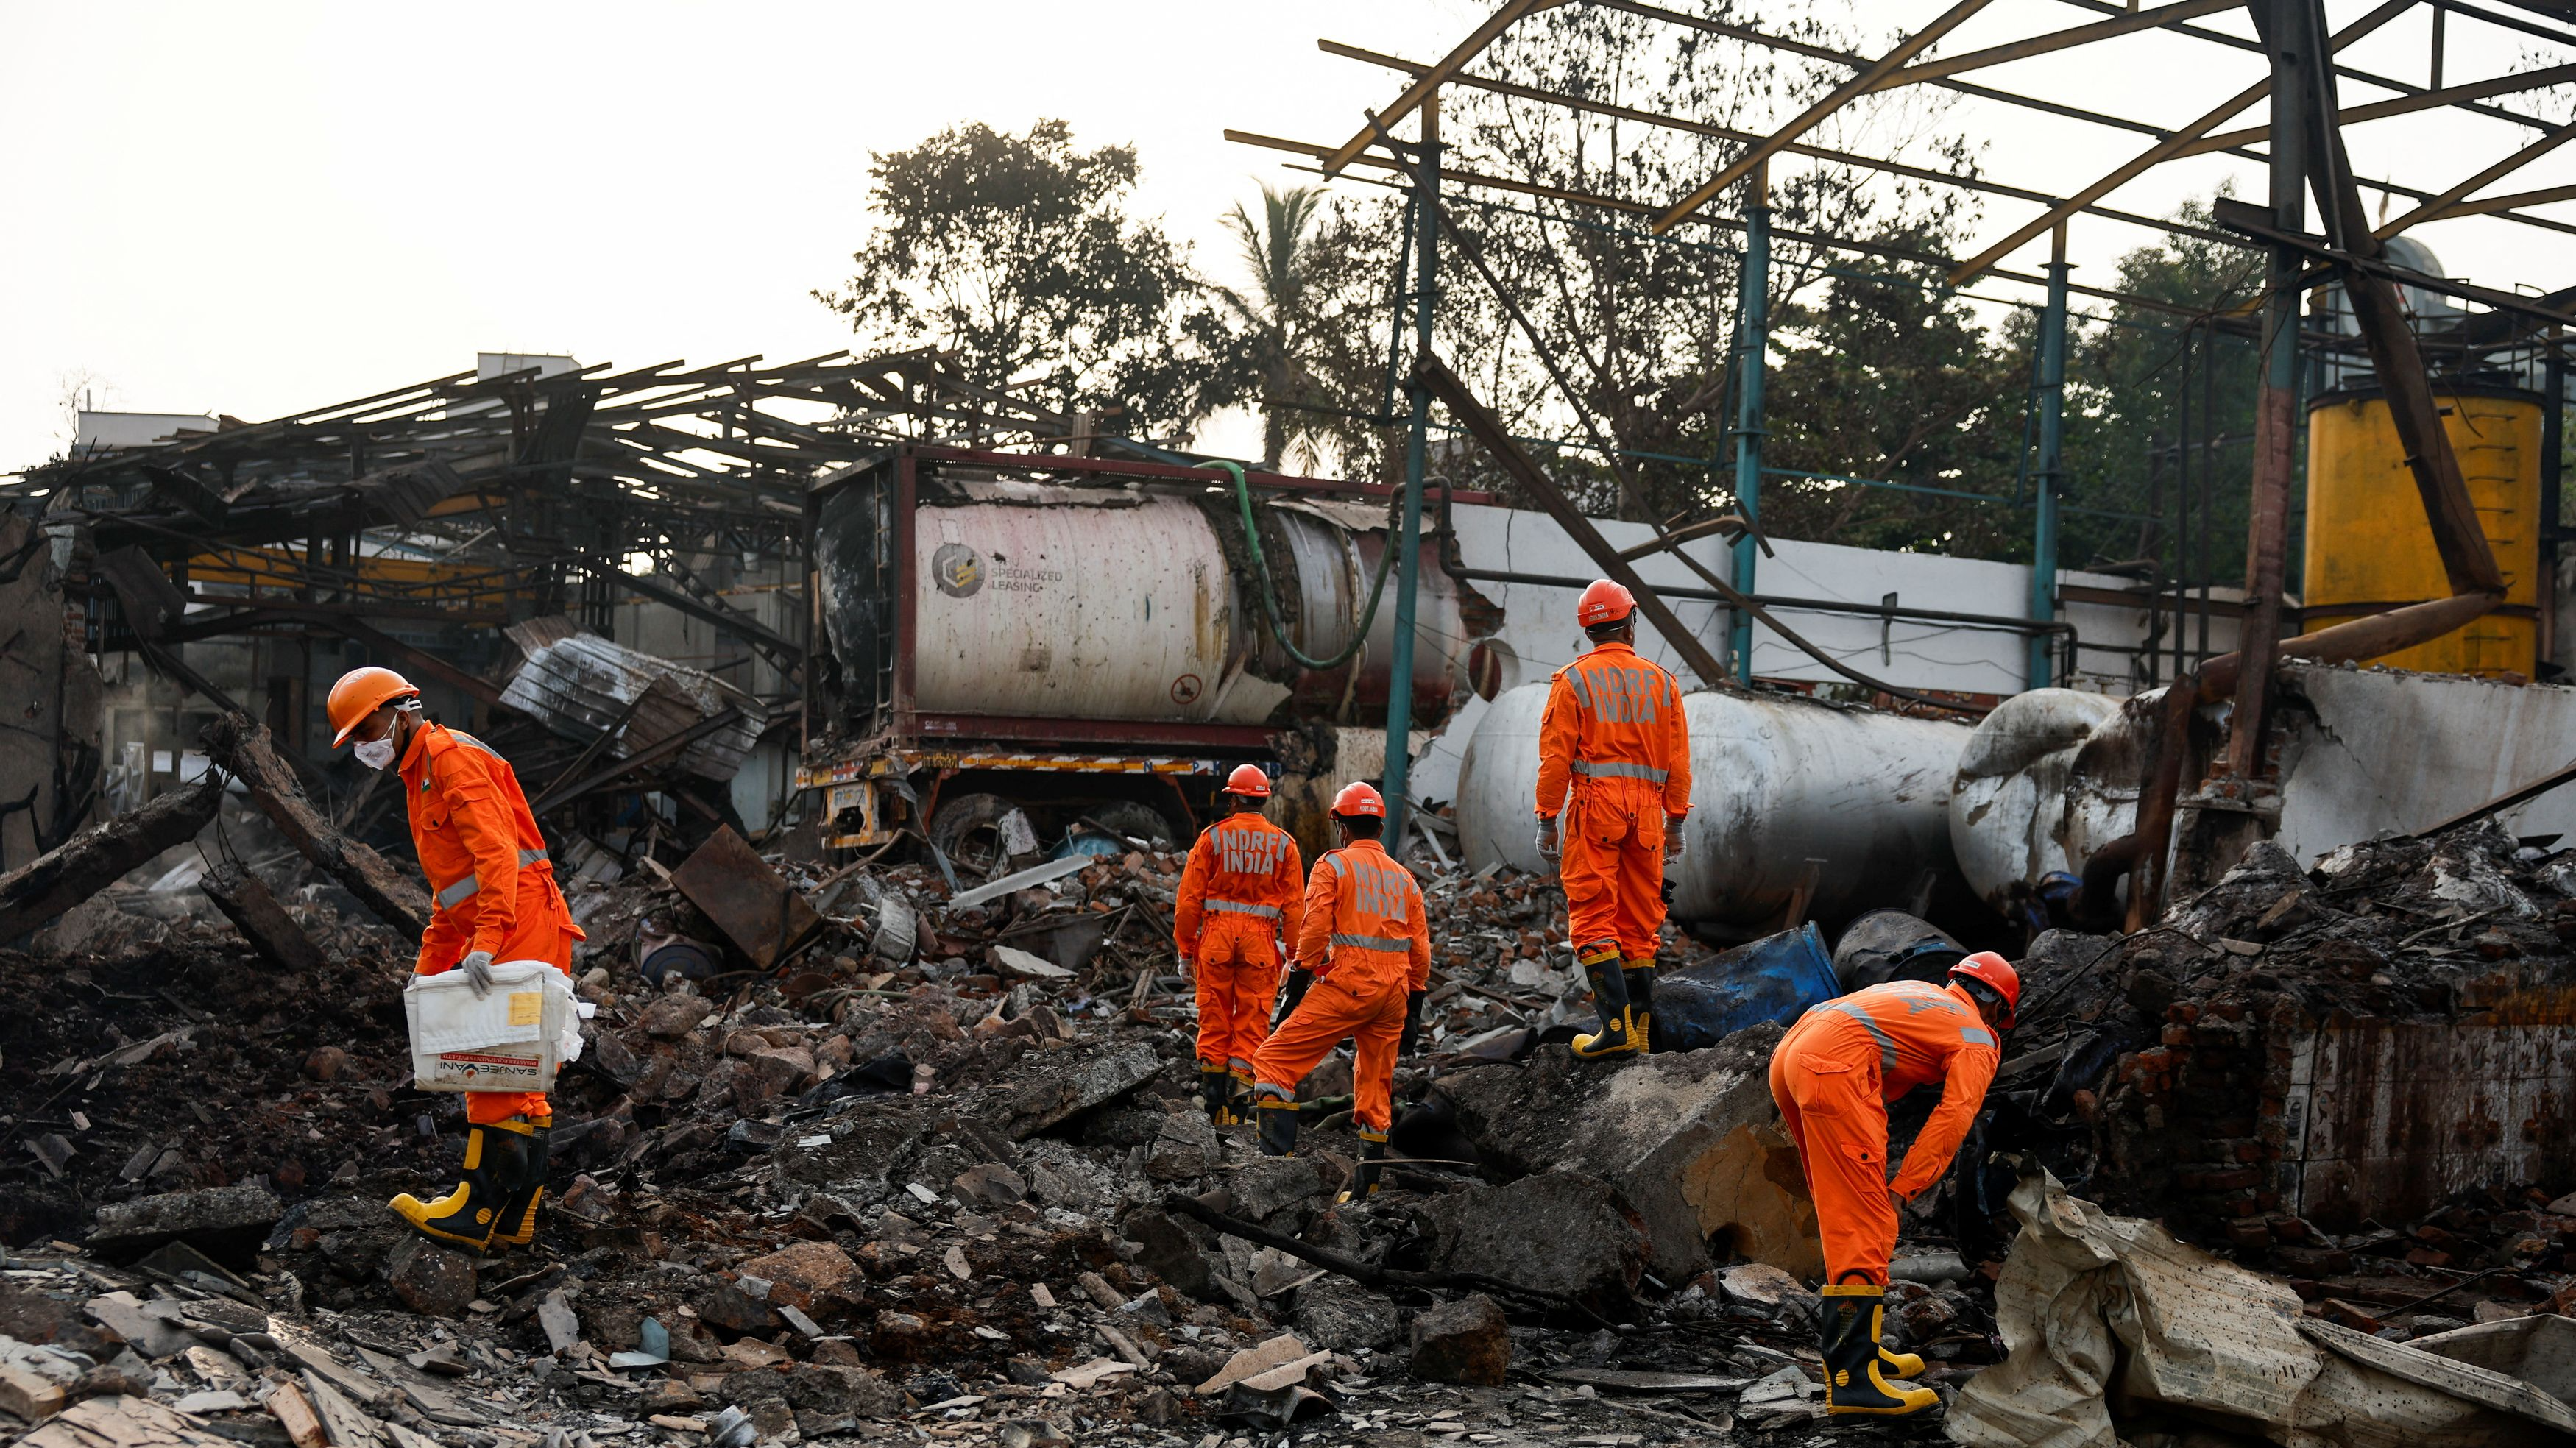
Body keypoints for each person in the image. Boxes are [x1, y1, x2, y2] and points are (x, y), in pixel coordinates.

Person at [327, 666, 585, 1250]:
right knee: (522, 1079)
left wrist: (488, 941)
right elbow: (452, 892)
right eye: (356, 738)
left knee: (489, 1067)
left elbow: (496, 855)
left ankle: (473, 1213)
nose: (364, 745)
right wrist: (428, 968)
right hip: (515, 921)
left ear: (398, 709)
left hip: (518, 922)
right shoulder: (419, 775)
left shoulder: (449, 760)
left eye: (365, 729)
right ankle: (514, 1218)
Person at [1768, 952, 2017, 1418]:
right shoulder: (1977, 1035)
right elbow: (1954, 1117)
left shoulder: (1919, 994)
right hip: (1833, 1068)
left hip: (1791, 1054)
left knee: (1843, 1214)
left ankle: (1863, 1349)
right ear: (1998, 1010)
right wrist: (1907, 1186)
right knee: (1865, 1221)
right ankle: (1851, 1382)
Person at [1248, 781, 1430, 1203]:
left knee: (1273, 1061)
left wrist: (1297, 985)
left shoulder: (1334, 866)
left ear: (1340, 825)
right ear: (1380, 828)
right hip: (1394, 994)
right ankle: (1366, 1192)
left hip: (1349, 983)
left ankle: (1275, 1179)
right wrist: (1414, 1007)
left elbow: (1313, 932)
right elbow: (1420, 949)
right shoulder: (1406, 880)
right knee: (1375, 1087)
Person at [1534, 579, 1692, 1060]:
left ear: (1588, 630)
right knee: (1640, 923)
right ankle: (1638, 1036)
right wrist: (1676, 821)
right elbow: (1679, 761)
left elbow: (1556, 758)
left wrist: (1547, 817)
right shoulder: (1663, 682)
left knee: (1593, 916)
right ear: (1631, 622)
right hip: (1646, 814)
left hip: (1595, 809)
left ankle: (1616, 1031)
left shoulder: (1573, 680)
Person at [1172, 764, 1305, 1126]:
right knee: (1251, 1024)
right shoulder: (1284, 844)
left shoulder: (1212, 838)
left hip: (1215, 939)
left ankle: (1214, 1112)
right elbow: (1295, 910)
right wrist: (1294, 957)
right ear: (1262, 800)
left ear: (1233, 799)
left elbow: (1188, 902)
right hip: (1261, 943)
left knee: (1214, 1020)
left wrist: (1185, 950)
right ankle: (1238, 1111)